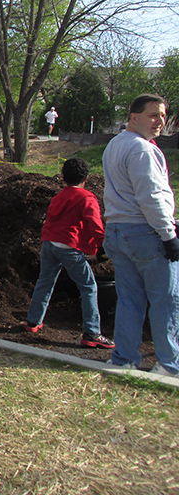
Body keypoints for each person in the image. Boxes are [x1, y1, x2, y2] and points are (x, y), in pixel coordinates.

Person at [102, 93, 179, 376]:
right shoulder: (143, 150)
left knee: (130, 299)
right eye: (153, 115)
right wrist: (168, 234)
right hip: (145, 233)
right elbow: (151, 196)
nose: (160, 121)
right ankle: (170, 366)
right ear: (134, 118)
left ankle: (123, 358)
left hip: (117, 231)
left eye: (162, 115)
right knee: (167, 300)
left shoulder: (115, 144)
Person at [24, 158, 114, 349]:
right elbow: (95, 224)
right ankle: (92, 332)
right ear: (86, 178)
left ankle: (33, 322)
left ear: (63, 177)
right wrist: (102, 247)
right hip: (69, 247)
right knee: (88, 287)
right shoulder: (87, 198)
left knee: (45, 281)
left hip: (49, 243)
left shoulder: (58, 197)